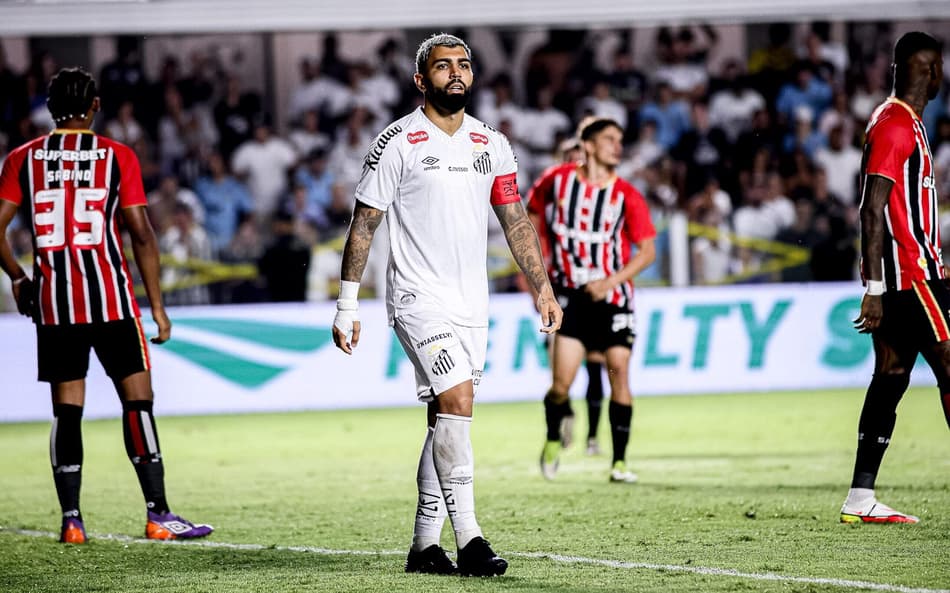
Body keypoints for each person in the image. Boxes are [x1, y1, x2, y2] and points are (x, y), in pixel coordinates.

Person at [331, 33, 562, 577]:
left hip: (470, 303)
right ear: (421, 80)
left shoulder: (492, 143)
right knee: (457, 400)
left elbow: (515, 221)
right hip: (417, 297)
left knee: (444, 419)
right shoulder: (399, 141)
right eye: (443, 66)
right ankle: (472, 539)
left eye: (464, 64)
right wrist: (347, 303)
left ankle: (423, 547)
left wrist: (543, 287)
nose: (455, 73)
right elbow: (364, 223)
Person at [0, 67, 213, 544]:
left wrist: (18, 277)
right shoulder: (117, 156)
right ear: (95, 106)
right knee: (137, 404)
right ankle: (158, 513)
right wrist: (157, 307)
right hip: (112, 301)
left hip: (56, 305)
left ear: (50, 108)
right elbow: (141, 232)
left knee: (66, 412)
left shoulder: (23, 158)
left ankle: (71, 520)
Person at [846, 31, 947, 524]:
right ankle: (860, 496)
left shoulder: (900, 122)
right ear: (931, 72)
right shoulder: (895, 126)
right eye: (937, 66)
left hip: (901, 279)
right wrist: (874, 287)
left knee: (890, 376)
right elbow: (871, 210)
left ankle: (860, 497)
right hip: (915, 275)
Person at [527, 117, 656, 483]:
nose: (618, 145)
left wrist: (610, 281)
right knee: (560, 386)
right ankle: (554, 436)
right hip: (571, 298)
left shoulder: (627, 194)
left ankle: (618, 462)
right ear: (589, 145)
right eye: (610, 139)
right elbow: (529, 215)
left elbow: (647, 252)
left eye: (620, 139)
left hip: (614, 300)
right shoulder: (558, 180)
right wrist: (542, 260)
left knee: (619, 375)